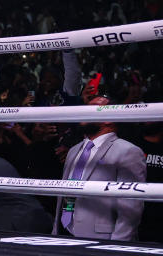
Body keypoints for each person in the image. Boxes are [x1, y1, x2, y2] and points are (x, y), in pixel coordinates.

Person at [52, 96, 146, 241]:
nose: (85, 111)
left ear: (109, 118)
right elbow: (64, 196)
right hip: (64, 232)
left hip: (101, 238)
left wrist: (115, 248)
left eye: (93, 107)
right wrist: (56, 231)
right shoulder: (73, 150)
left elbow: (130, 208)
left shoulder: (128, 151)